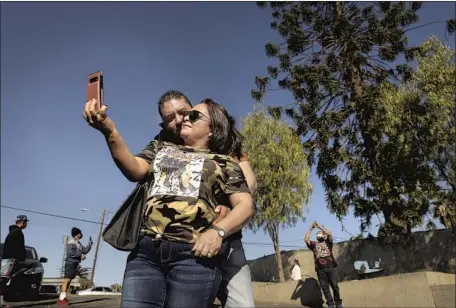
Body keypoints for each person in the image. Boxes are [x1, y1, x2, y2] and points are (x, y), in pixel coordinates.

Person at [84, 90, 257, 308]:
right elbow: (135, 169)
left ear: (212, 128)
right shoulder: (161, 145)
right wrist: (110, 131)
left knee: (241, 303)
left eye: (188, 114)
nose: (181, 119)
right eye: (169, 118)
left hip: (203, 248)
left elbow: (246, 193)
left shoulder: (226, 155)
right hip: (147, 252)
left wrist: (221, 225)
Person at [304, 221, 343, 308]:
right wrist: (311, 228)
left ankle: (338, 303)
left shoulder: (328, 242)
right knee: (325, 288)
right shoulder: (314, 245)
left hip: (330, 267)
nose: (319, 234)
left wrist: (319, 226)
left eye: (321, 233)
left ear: (324, 235)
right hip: (320, 270)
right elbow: (306, 239)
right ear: (317, 237)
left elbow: (329, 234)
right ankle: (330, 304)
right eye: (318, 234)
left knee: (335, 286)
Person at [57, 227, 93, 306]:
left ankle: (63, 298)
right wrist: (80, 256)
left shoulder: (78, 243)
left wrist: (90, 245)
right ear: (77, 234)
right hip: (70, 263)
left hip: (75, 263)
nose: (81, 234)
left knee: (68, 281)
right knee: (66, 280)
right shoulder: (71, 242)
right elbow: (70, 253)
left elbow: (84, 251)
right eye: (80, 233)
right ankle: (61, 299)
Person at [1, 215, 29, 308]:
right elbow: (17, 247)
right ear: (22, 222)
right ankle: (1, 302)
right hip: (11, 259)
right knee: (4, 279)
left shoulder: (13, 232)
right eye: (25, 222)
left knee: (4, 279)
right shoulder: (17, 232)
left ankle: (2, 301)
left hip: (7, 259)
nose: (26, 224)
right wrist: (18, 258)